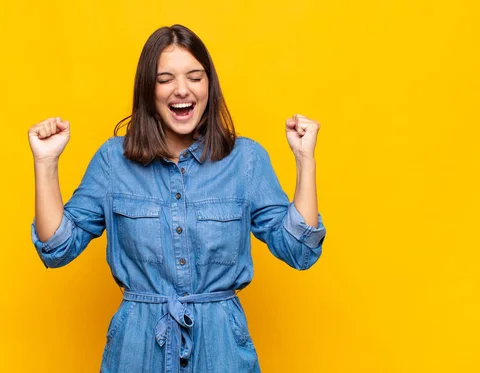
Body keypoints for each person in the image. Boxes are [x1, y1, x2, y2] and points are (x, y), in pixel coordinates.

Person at [28, 24, 326, 373]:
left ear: (209, 87)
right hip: (137, 350)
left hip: (222, 351)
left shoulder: (246, 160)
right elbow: (57, 249)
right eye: (165, 78)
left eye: (195, 77)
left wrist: (305, 160)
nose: (181, 89)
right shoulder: (113, 161)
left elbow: (300, 251)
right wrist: (45, 163)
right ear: (148, 90)